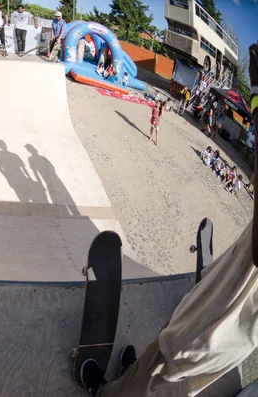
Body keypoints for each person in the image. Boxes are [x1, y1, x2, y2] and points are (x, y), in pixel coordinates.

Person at [80, 44, 258, 397]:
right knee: (175, 370)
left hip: (234, 304)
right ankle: (136, 380)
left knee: (173, 355)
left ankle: (111, 393)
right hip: (242, 315)